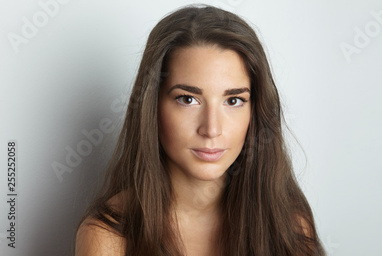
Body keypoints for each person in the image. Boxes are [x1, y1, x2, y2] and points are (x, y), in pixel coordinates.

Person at [75, 4, 325, 256]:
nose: (212, 129)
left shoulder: (289, 225)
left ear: (255, 110)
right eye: (187, 99)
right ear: (151, 106)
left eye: (233, 100)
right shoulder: (110, 234)